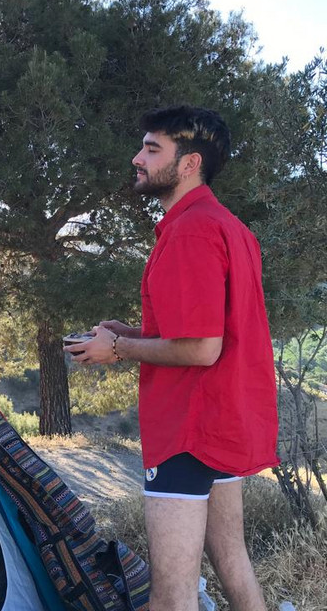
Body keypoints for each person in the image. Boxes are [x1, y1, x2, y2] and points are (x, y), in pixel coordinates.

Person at [64, 105, 279, 611]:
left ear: (189, 163)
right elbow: (211, 334)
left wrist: (118, 349)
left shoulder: (191, 231)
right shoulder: (229, 226)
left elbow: (202, 348)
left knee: (170, 598)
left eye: (151, 149)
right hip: (223, 421)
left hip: (188, 428)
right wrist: (132, 333)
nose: (137, 158)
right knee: (232, 558)